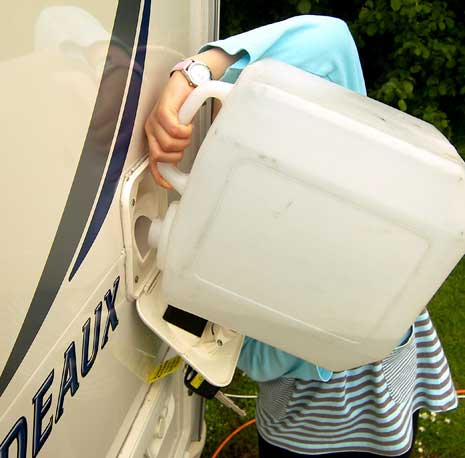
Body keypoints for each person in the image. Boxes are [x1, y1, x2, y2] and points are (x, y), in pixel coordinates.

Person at [144, 15, 458, 457]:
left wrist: (191, 75)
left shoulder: (354, 149)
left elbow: (326, 38)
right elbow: (255, 355)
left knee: (390, 438)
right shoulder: (234, 247)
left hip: (383, 385)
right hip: (309, 422)